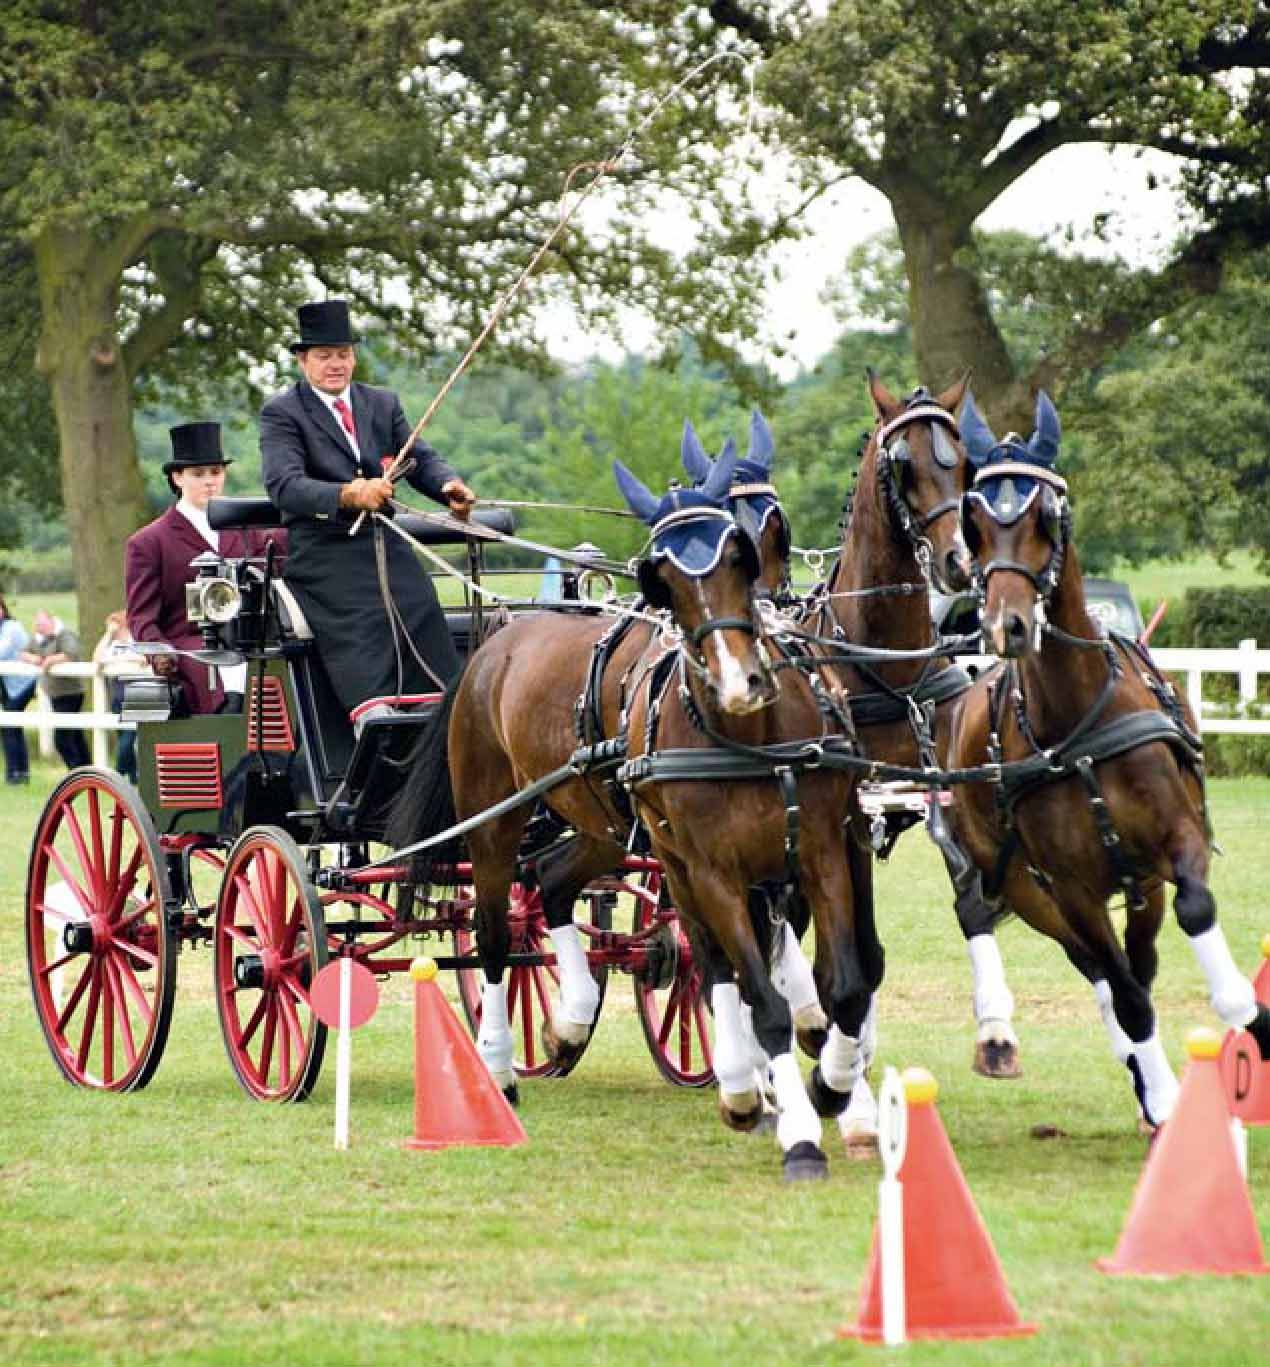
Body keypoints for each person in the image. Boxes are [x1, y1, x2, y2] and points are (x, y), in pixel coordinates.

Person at [260, 299, 477, 717]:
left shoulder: (381, 403)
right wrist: (348, 493)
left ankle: (440, 717)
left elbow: (419, 458)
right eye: (324, 356)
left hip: (385, 546)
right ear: (304, 361)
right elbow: (284, 485)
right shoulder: (282, 413)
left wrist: (448, 485)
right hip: (325, 556)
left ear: (354, 357)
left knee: (419, 601)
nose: (335, 364)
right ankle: (371, 719)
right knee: (364, 627)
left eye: (343, 354)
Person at [125, 422, 281, 716]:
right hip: (190, 648)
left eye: (216, 473)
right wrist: (161, 653)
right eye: (198, 474)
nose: (209, 481)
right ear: (177, 477)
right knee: (229, 674)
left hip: (252, 643)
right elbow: (141, 618)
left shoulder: (249, 530)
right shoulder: (149, 542)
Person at [21, 609, 90, 770]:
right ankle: (85, 770)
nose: (39, 627)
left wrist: (50, 660)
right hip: (55, 693)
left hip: (71, 692)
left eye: (42, 623)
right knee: (75, 734)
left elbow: (71, 653)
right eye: (37, 624)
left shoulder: (64, 635)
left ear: (51, 621)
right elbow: (24, 653)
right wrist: (33, 658)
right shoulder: (38, 639)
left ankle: (75, 771)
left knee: (62, 738)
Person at [92, 610, 148, 783]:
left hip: (135, 694)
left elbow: (145, 659)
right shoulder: (112, 646)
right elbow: (97, 659)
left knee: (128, 737)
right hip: (117, 695)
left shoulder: (136, 641)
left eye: (114, 625)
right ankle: (132, 777)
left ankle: (117, 773)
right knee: (123, 735)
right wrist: (107, 635)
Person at [0, 594, 35, 784]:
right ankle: (18, 772)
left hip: (22, 683)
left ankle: (16, 773)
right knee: (11, 726)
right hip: (8, 686)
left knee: (10, 724)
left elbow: (2, 652)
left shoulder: (11, 628)